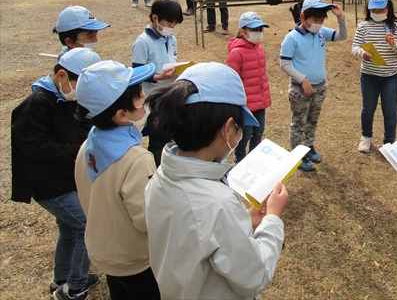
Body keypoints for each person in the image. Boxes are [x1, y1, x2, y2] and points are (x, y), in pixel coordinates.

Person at [143, 62, 289, 299]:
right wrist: (272, 220)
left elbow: (195, 236)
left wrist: (244, 219)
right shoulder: (217, 204)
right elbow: (255, 276)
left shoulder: (160, 177)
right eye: (241, 127)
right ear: (228, 128)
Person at [11, 49, 102, 300]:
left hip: (64, 180)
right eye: (78, 84)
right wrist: (77, 151)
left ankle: (61, 277)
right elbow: (33, 145)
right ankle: (75, 286)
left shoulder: (68, 98)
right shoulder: (37, 104)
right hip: (49, 185)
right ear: (61, 75)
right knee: (85, 225)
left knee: (69, 230)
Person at [75, 60, 161, 300]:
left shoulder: (88, 145)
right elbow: (146, 220)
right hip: (135, 259)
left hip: (105, 251)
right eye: (141, 99)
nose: (146, 102)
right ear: (122, 114)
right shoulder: (136, 159)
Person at [280, 0, 347, 171]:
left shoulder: (322, 32)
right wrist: (302, 80)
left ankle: (308, 147)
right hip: (300, 90)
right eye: (315, 20)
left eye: (322, 20)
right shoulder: (292, 38)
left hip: (320, 87)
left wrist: (341, 18)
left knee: (312, 121)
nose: (319, 23)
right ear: (303, 17)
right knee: (298, 122)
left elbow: (342, 36)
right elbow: (284, 64)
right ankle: (296, 155)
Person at [351, 0, 397, 152]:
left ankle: (389, 142)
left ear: (389, 7)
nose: (377, 12)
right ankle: (366, 137)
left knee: (390, 111)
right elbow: (354, 46)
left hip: (391, 76)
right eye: (374, 9)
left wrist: (394, 44)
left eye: (381, 8)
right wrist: (361, 52)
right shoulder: (363, 26)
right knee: (368, 108)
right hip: (368, 75)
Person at [131, 0, 183, 166]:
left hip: (169, 95)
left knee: (170, 137)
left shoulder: (171, 38)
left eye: (175, 24)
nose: (172, 27)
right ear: (155, 18)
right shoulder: (143, 42)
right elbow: (137, 72)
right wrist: (160, 77)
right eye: (169, 22)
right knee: (157, 141)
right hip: (153, 98)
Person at [226, 12, 272, 163]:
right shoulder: (236, 53)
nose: (258, 33)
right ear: (242, 31)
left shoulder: (260, 49)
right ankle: (239, 160)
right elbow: (231, 79)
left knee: (258, 132)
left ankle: (254, 160)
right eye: (254, 30)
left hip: (259, 101)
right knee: (244, 135)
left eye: (260, 29)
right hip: (244, 105)